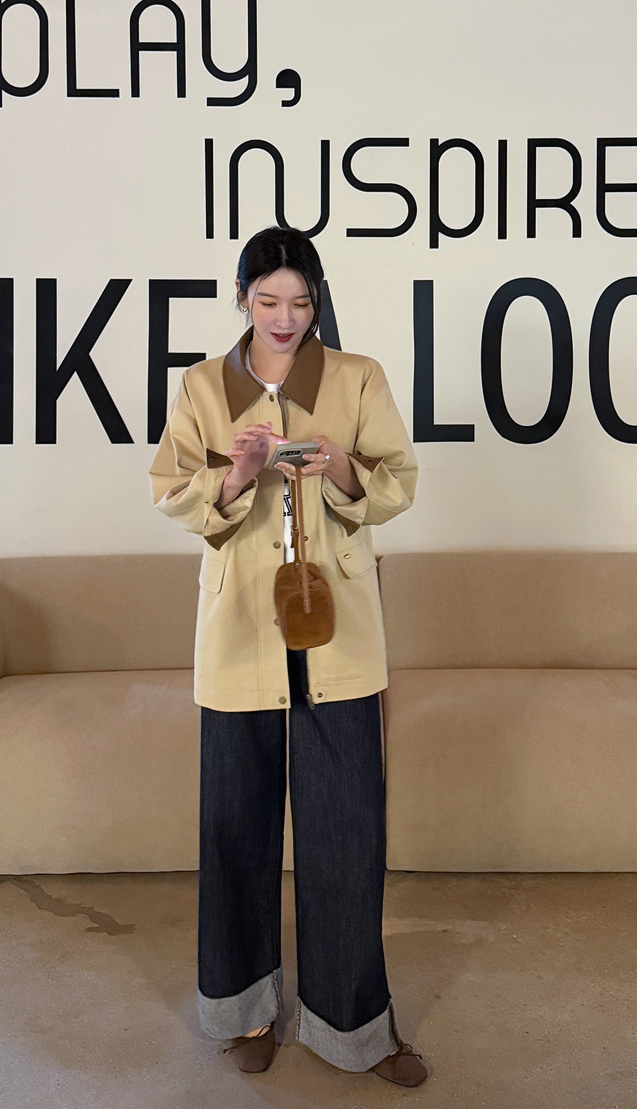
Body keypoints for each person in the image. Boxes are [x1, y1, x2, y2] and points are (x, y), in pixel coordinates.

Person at [149, 227, 426, 1087]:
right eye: (268, 300)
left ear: (317, 302)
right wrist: (236, 476)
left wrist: (339, 467)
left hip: (335, 631)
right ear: (241, 298)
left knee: (347, 835)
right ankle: (247, 1012)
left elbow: (399, 480)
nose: (284, 317)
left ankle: (354, 1027)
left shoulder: (357, 377)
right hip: (240, 632)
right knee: (235, 830)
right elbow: (171, 491)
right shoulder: (201, 386)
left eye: (300, 301)